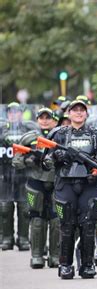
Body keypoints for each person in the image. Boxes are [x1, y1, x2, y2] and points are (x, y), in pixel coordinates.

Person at [44, 97, 97, 279]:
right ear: (69, 113)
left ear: (86, 113)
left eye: (82, 110)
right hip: (65, 183)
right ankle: (65, 265)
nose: (79, 113)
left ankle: (87, 265)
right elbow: (46, 160)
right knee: (66, 225)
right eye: (75, 110)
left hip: (89, 184)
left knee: (88, 225)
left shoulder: (96, 136)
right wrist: (56, 157)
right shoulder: (58, 135)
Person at [12, 108, 60, 268]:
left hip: (56, 183)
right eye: (42, 117)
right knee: (37, 219)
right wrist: (28, 161)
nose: (45, 120)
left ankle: (55, 256)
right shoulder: (29, 137)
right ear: (37, 119)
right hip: (35, 183)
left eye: (48, 117)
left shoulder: (60, 136)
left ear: (54, 120)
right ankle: (37, 256)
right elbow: (16, 161)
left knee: (56, 220)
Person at [0, 102, 38, 251]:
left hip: (23, 173)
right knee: (4, 208)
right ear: (7, 114)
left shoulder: (29, 129)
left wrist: (30, 160)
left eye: (16, 112)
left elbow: (35, 148)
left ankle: (23, 238)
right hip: (4, 174)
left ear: (21, 114)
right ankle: (7, 238)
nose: (13, 115)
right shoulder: (2, 129)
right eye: (11, 112)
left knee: (24, 207)